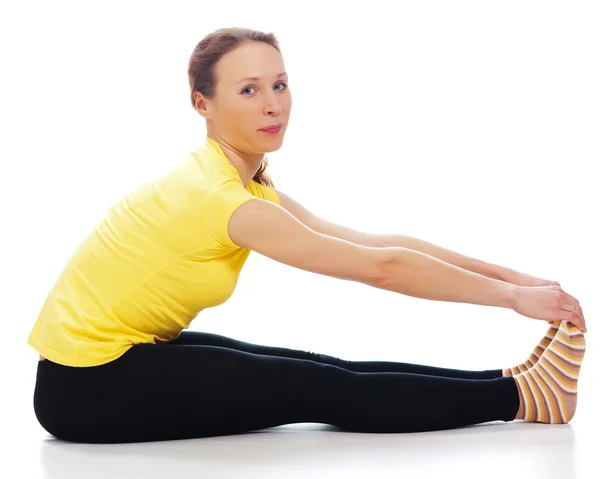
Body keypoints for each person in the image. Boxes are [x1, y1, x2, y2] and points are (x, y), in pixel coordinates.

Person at [27, 27, 587, 445]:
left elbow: (368, 241)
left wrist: (513, 277)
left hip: (109, 363)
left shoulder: (233, 181)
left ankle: (515, 382)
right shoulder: (224, 202)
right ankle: (522, 399)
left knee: (316, 367)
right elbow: (381, 268)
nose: (273, 105)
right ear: (203, 103)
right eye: (248, 90)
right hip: (88, 387)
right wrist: (512, 300)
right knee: (319, 388)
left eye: (280, 84)